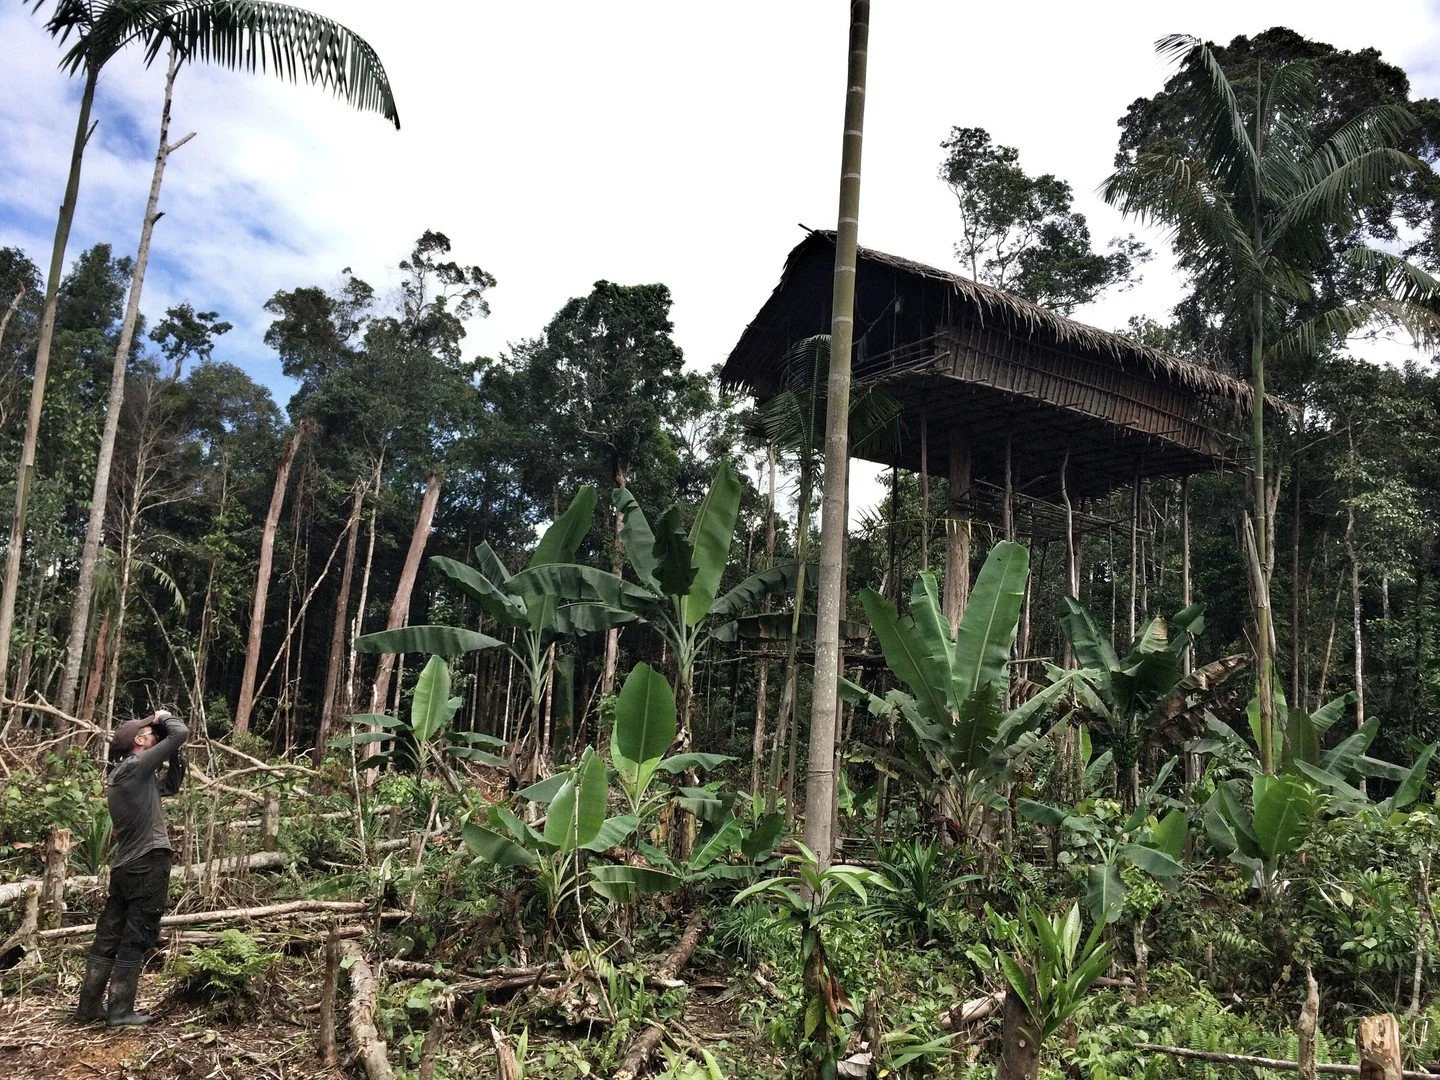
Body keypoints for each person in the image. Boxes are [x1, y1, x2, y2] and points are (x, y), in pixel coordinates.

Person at [74, 709, 188, 1027]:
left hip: (126, 865)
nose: (154, 734)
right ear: (140, 741)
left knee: (109, 934)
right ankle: (121, 1012)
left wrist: (173, 752)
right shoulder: (136, 767)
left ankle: (88, 1008)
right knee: (137, 937)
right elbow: (180, 732)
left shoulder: (126, 775)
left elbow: (172, 786)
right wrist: (164, 717)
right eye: (150, 732)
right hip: (148, 863)